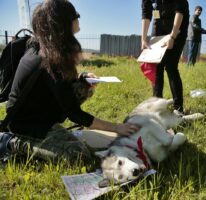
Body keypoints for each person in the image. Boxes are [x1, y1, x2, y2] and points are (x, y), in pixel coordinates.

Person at [0, 0, 139, 164]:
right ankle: (11, 142)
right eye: (76, 16)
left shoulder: (45, 46)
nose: (78, 19)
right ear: (64, 22)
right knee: (78, 155)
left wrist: (84, 78)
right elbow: (73, 112)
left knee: (83, 87)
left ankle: (52, 135)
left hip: (42, 115)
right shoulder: (50, 57)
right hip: (26, 126)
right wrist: (116, 128)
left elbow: (60, 85)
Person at [141, 0, 189, 113]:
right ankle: (157, 107)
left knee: (171, 67)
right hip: (159, 25)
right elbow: (146, 13)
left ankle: (178, 108)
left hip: (178, 26)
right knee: (157, 66)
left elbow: (180, 10)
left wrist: (172, 37)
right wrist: (143, 38)